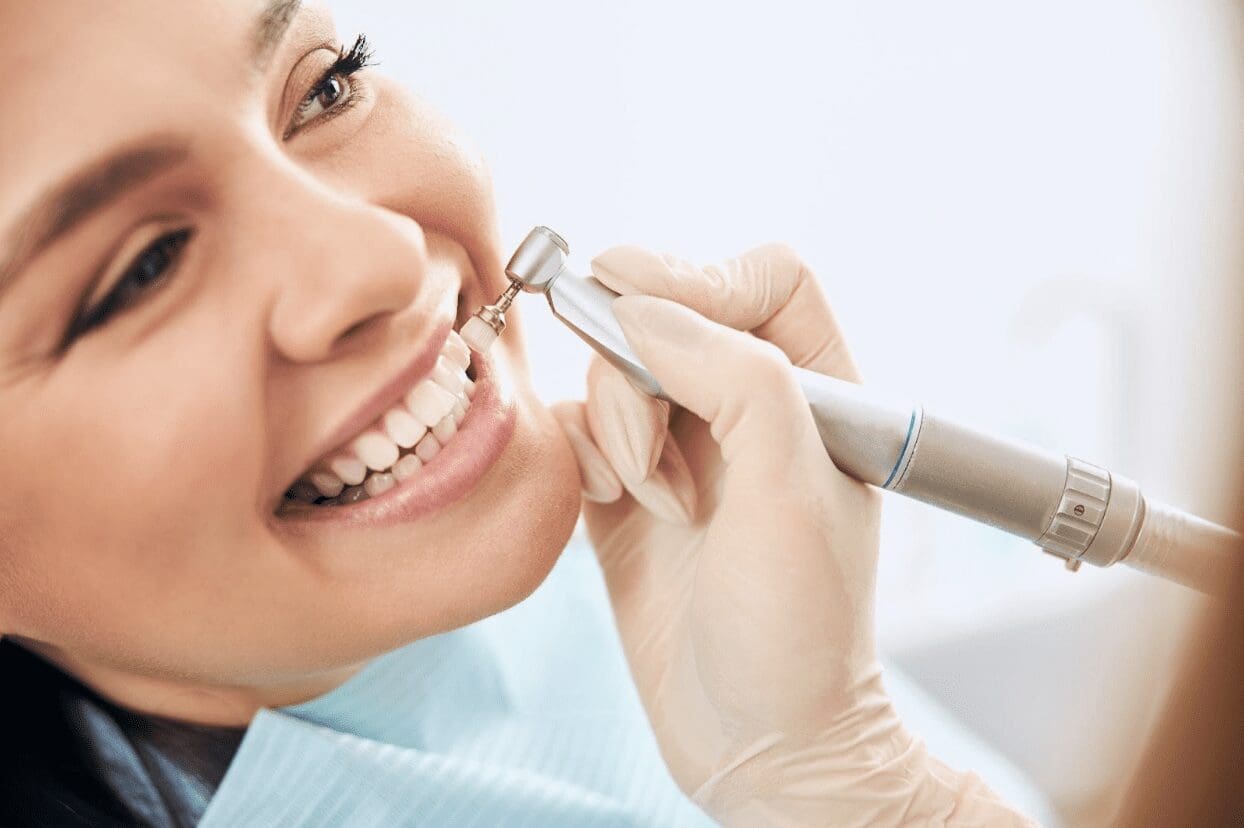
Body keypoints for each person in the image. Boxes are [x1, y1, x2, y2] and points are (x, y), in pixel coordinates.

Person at [13, 1, 1229, 825]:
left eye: (325, 87)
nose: (379, 256)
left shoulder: (654, 589)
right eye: (140, 273)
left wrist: (848, 776)